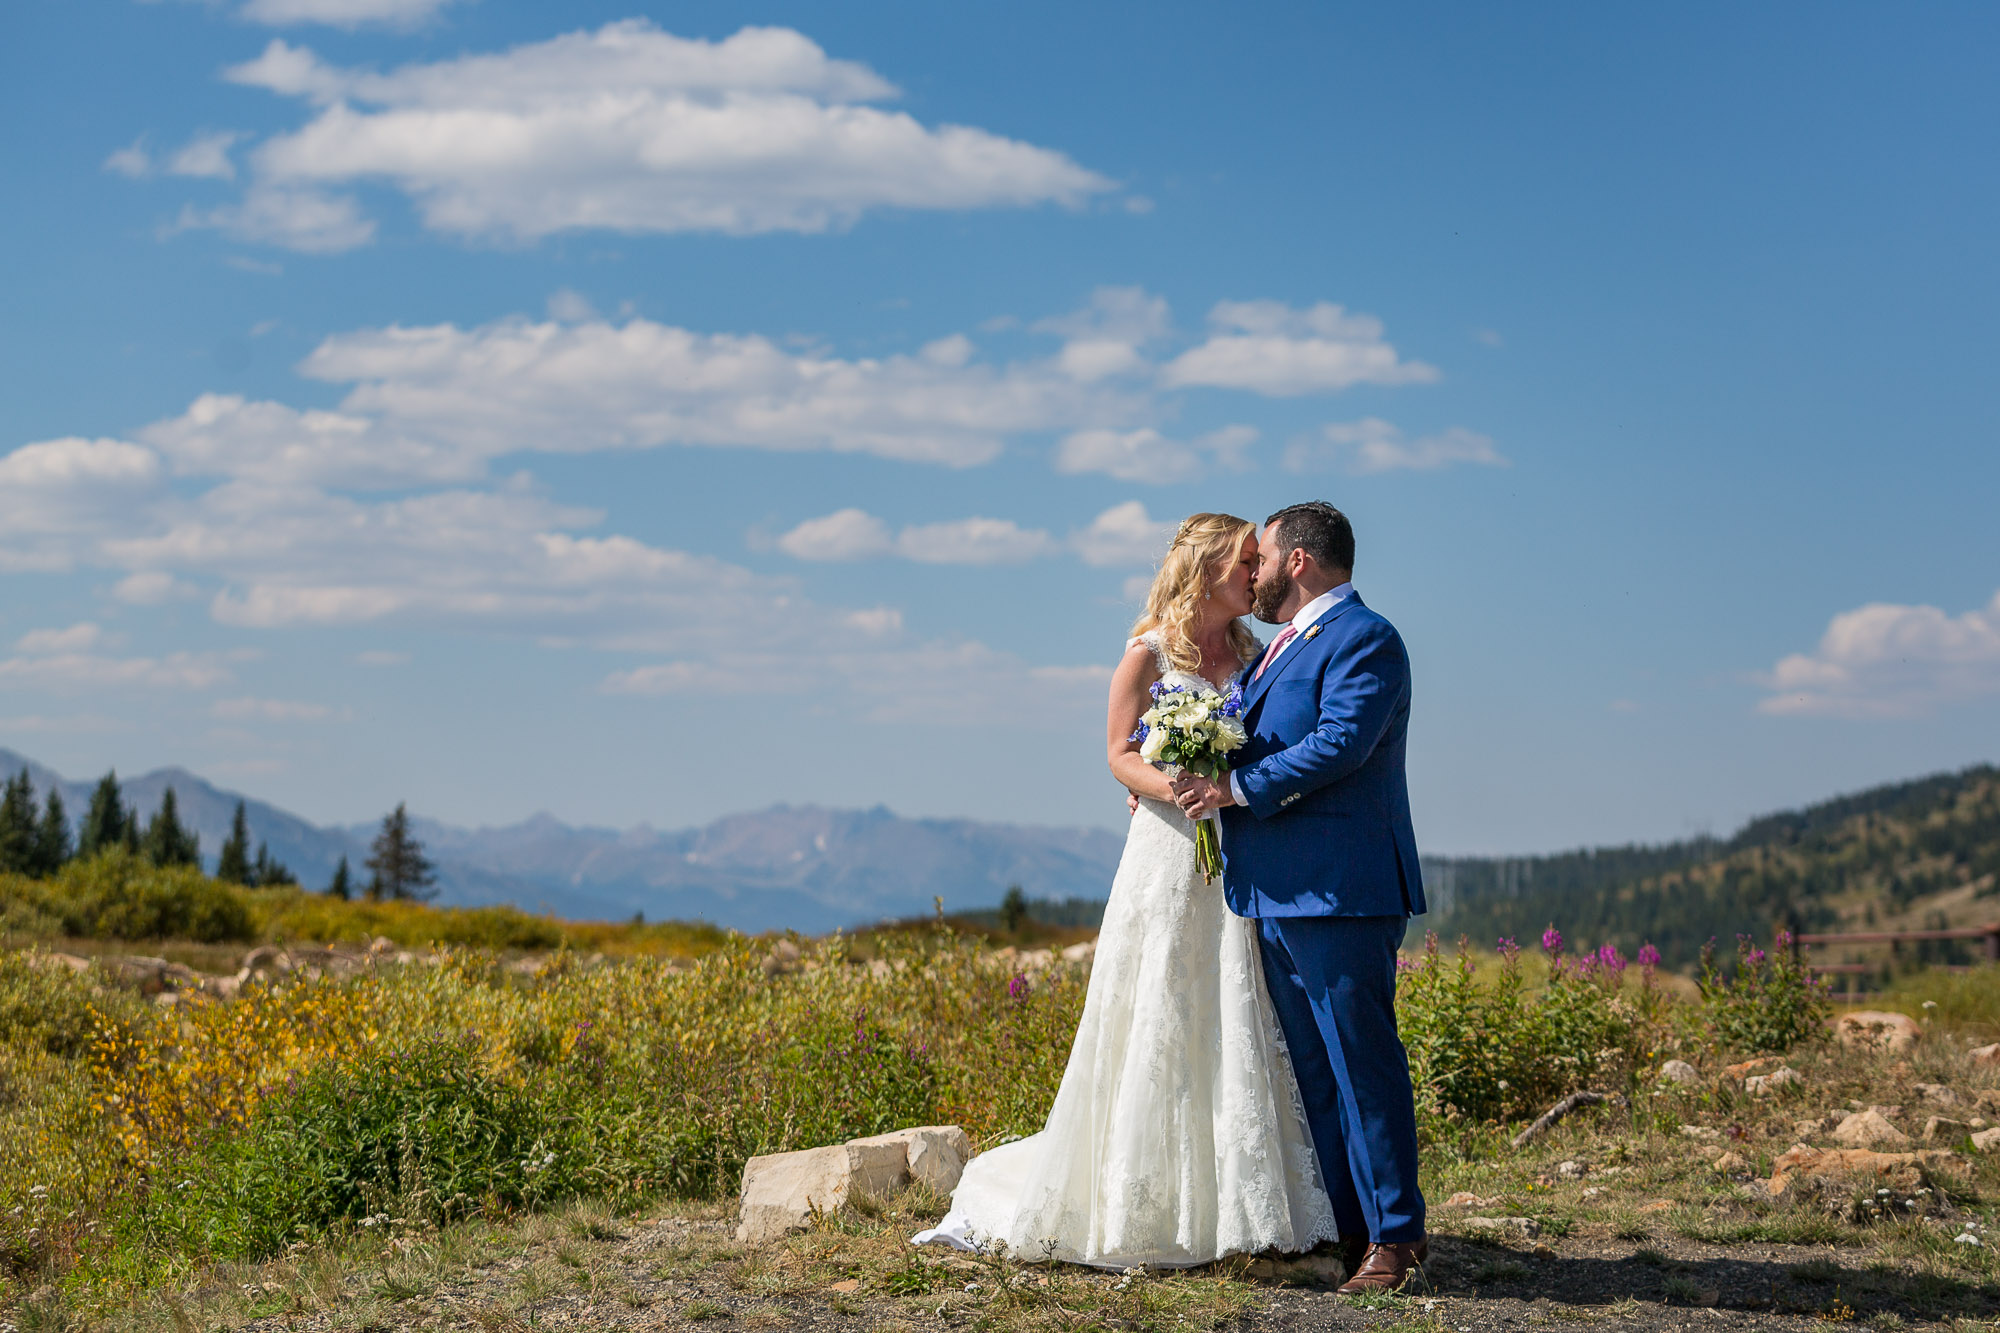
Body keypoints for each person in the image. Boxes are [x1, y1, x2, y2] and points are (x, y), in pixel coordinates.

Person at [913, 512, 1338, 1268]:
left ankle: (1240, 1204)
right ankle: (1143, 1201)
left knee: (1235, 1008)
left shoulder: (1254, 652)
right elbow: (1118, 754)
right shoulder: (1146, 654)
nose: (1257, 574)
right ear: (1209, 567)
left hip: (1234, 852)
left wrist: (1225, 789)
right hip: (1169, 853)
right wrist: (1175, 786)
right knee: (1162, 1007)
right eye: (1245, 561)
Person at [1169, 501, 1429, 1293]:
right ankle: (1351, 1234)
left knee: (1363, 1064)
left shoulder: (1365, 639)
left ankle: (1398, 1239)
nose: (1256, 573)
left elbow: (1341, 744)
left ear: (1301, 561)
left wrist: (1235, 786)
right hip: (1277, 894)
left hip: (1341, 891)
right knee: (1315, 1073)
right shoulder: (1279, 647)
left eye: (1265, 558)